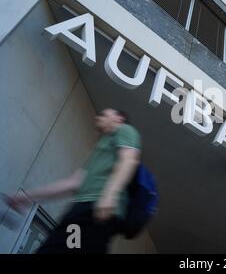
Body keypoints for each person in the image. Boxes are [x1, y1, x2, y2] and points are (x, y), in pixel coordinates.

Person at [6, 109, 141, 254]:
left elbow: (128, 160)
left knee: (57, 248)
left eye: (104, 114)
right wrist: (26, 198)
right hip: (84, 210)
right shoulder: (101, 148)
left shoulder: (125, 130)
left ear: (118, 118)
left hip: (95, 210)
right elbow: (72, 183)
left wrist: (110, 195)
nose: (97, 117)